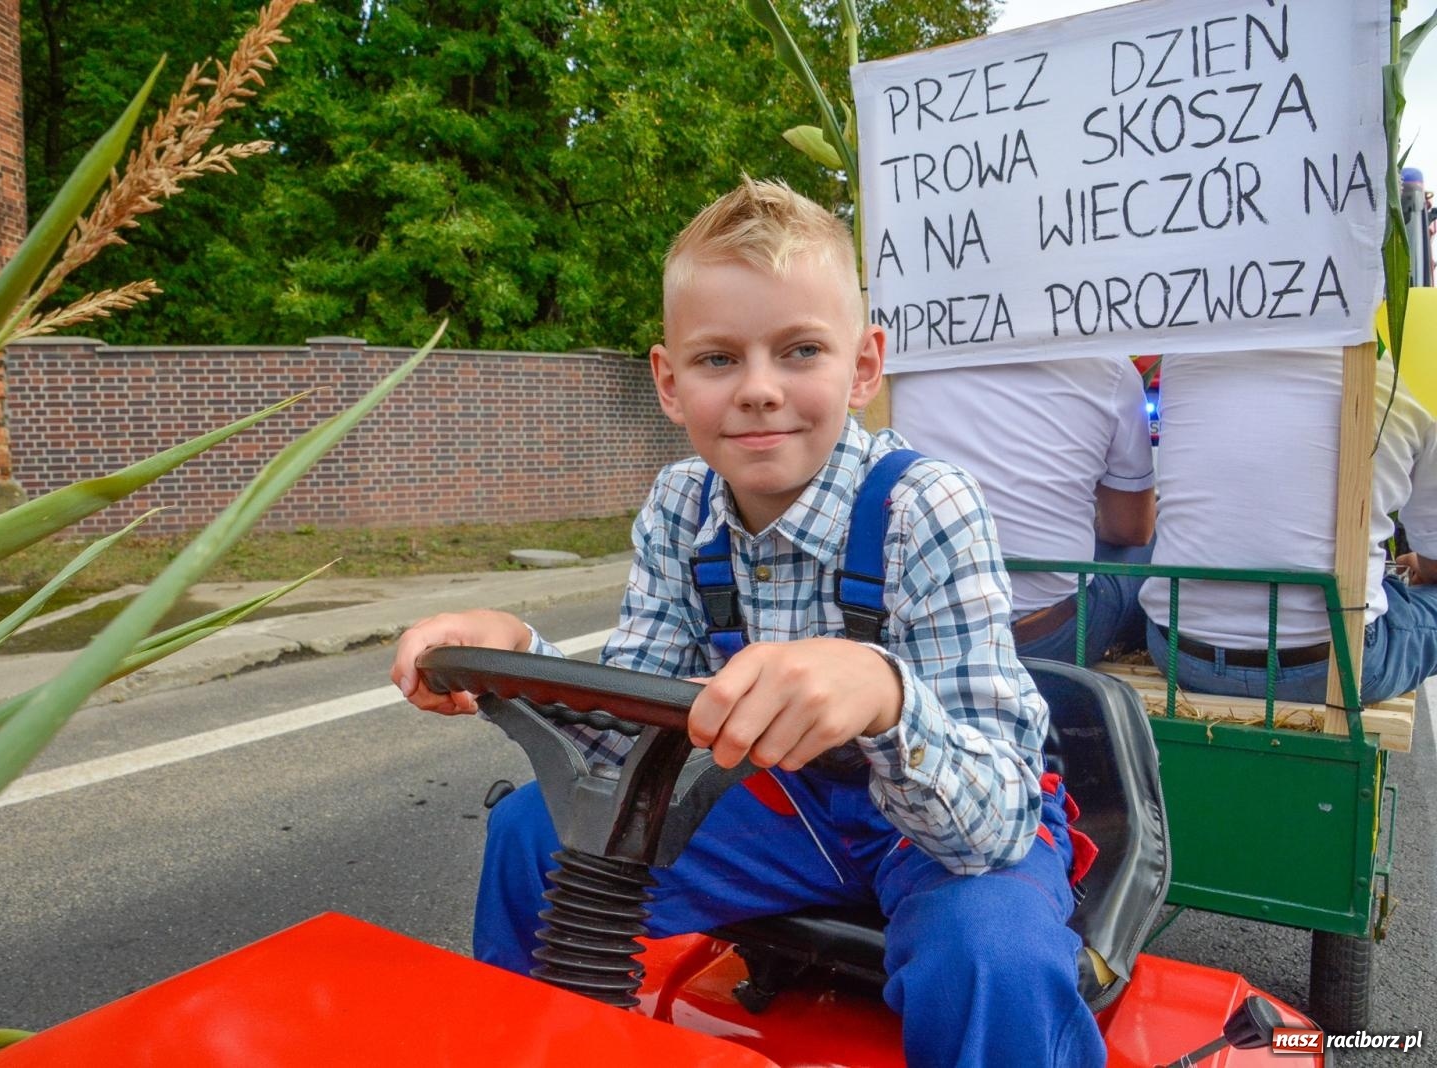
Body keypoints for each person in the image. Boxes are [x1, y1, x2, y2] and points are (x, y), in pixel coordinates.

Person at [391, 177, 1104, 1067]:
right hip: (786, 809)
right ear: (669, 381)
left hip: (947, 817)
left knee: (992, 949)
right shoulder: (679, 506)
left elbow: (994, 824)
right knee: (530, 836)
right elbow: (626, 738)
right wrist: (515, 656)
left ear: (866, 367)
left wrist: (882, 694)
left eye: (800, 351)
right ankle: (538, 1048)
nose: (760, 390)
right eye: (720, 359)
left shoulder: (927, 507)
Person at [1141, 346, 1437, 705]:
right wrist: (1419, 565)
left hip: (1182, 657)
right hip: (1336, 668)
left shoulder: (1187, 355)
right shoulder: (1395, 379)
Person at [890, 356, 1156, 664]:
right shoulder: (1110, 366)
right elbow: (1131, 530)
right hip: (1048, 638)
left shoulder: (905, 350)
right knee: (1150, 548)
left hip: (924, 633)